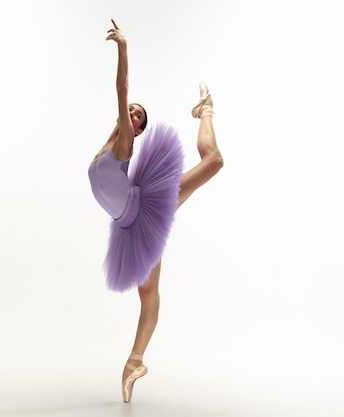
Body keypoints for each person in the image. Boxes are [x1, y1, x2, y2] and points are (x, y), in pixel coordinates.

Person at [87, 19, 224, 403]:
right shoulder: (105, 147)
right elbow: (123, 100)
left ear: (139, 132)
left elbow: (122, 87)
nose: (132, 116)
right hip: (129, 229)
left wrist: (123, 47)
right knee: (148, 295)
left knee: (213, 160)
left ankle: (206, 110)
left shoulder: (123, 146)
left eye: (138, 118)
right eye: (130, 112)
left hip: (144, 207)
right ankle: (134, 363)